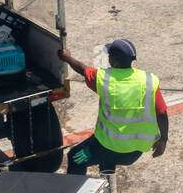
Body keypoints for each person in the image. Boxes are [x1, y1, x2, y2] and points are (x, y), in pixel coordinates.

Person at [58, 39, 168, 176]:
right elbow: (162, 112)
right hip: (134, 153)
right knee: (106, 151)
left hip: (106, 147)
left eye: (109, 55)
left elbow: (82, 69)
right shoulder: (149, 80)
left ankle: (77, 192)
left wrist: (66, 57)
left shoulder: (103, 79)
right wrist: (163, 140)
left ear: (113, 61)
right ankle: (107, 168)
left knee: (75, 157)